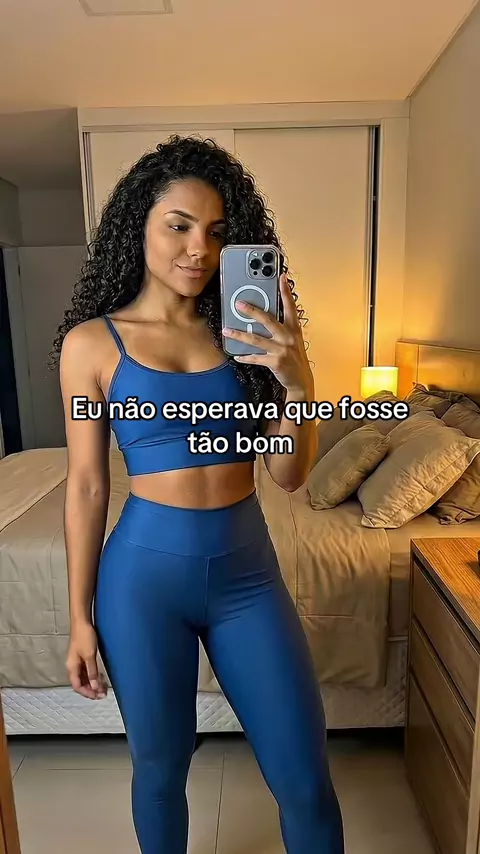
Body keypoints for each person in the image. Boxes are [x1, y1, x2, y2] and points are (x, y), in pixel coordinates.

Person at [50, 135, 345, 854]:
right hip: (142, 582)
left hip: (248, 575)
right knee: (159, 771)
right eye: (178, 226)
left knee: (305, 779)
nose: (198, 250)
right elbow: (86, 484)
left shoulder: (249, 334)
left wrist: (299, 382)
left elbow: (287, 475)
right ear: (139, 227)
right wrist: (79, 618)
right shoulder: (93, 344)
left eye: (216, 232)